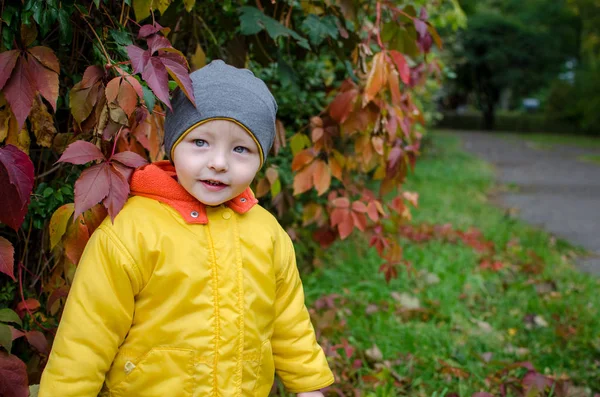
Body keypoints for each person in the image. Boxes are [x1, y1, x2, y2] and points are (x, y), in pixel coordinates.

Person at [38, 60, 334, 397]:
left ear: (260, 160)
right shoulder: (130, 232)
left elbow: (289, 322)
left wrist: (309, 385)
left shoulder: (267, 233)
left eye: (241, 149)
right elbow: (86, 338)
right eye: (201, 142)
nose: (219, 162)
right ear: (173, 143)